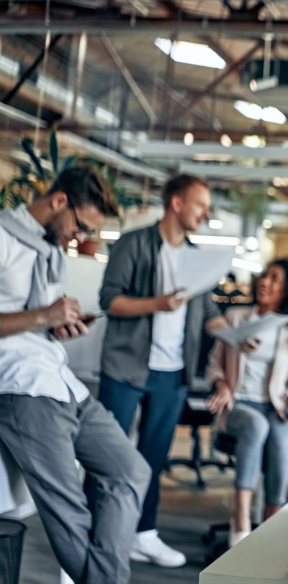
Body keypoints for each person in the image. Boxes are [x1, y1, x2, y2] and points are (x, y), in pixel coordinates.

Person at [0, 166, 151, 584]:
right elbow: (27, 318)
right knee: (72, 514)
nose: (79, 239)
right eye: (80, 227)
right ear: (59, 201)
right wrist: (43, 315)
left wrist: (56, 325)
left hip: (62, 381)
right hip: (21, 389)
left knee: (130, 471)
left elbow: (32, 323)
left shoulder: (49, 250)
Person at [97, 173, 232, 568]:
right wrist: (158, 303)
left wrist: (238, 336)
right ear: (176, 203)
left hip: (172, 373)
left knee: (152, 457)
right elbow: (110, 300)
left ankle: (144, 533)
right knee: (108, 454)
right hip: (125, 367)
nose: (206, 213)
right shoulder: (133, 244)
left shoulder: (197, 257)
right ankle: (96, 531)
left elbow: (207, 312)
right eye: (200, 204)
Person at [206, 258, 288, 547]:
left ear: (286, 291)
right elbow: (214, 364)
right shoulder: (236, 317)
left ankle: (271, 519)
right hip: (238, 405)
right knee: (255, 424)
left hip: (274, 407)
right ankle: (240, 520)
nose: (265, 282)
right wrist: (223, 384)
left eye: (275, 279)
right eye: (265, 276)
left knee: (280, 433)